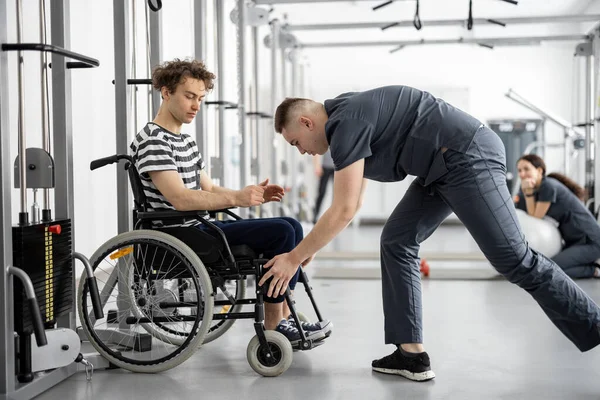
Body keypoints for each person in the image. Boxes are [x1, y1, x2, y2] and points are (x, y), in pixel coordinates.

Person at [261, 86, 600, 381]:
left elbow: (344, 209)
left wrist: (293, 257)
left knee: (516, 260)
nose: (301, 150)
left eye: (296, 142)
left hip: (468, 156)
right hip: (439, 169)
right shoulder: (346, 114)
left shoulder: (345, 124)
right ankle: (411, 354)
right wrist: (308, 248)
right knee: (396, 240)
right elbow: (355, 202)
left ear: (306, 123)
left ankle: (595, 324)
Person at [129, 58, 331, 346]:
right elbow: (179, 198)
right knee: (283, 232)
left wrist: (248, 194)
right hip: (178, 233)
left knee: (291, 225)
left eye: (199, 98)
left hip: (199, 227)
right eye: (189, 96)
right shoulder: (153, 141)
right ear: (165, 93)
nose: (196, 105)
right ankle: (275, 326)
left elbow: (209, 188)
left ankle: (285, 315)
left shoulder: (185, 141)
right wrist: (236, 198)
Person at [515, 154, 600, 279]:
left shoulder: (547, 186)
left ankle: (593, 270)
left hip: (591, 243)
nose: (522, 174)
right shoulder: (537, 190)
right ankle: (587, 264)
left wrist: (528, 192)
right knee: (544, 267)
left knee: (547, 270)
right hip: (574, 243)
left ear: (539, 170)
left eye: (526, 169)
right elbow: (527, 213)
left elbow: (535, 217)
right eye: (519, 170)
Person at [312, 149, 335, 223]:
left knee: (336, 195)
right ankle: (315, 216)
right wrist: (317, 166)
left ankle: (334, 218)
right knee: (321, 192)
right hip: (325, 167)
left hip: (337, 168)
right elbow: (317, 150)